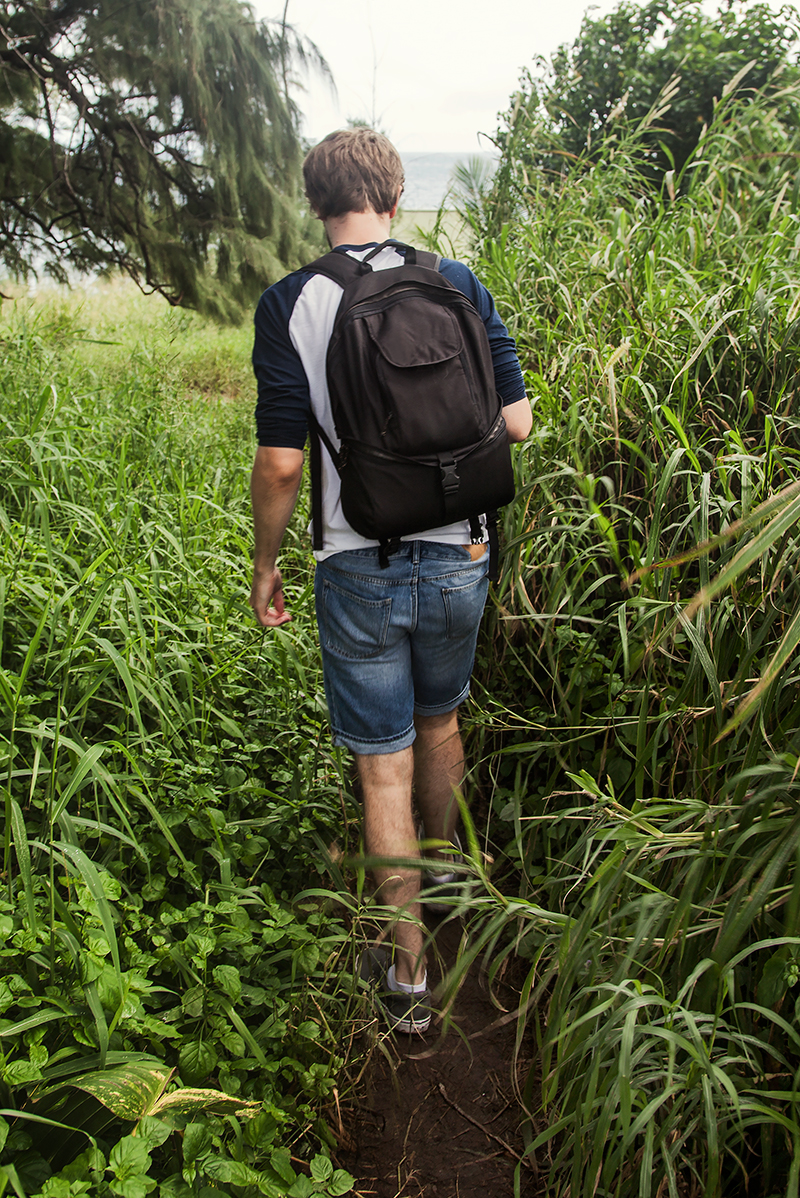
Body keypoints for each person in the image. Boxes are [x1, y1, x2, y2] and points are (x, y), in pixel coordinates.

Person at [249, 128, 531, 1034]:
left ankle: (407, 978)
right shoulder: (458, 283)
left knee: (382, 770)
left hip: (355, 562)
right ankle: (453, 881)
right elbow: (518, 424)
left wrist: (265, 562)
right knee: (441, 718)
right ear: (397, 192)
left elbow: (283, 465)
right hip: (461, 555)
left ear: (315, 203)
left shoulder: (289, 303)